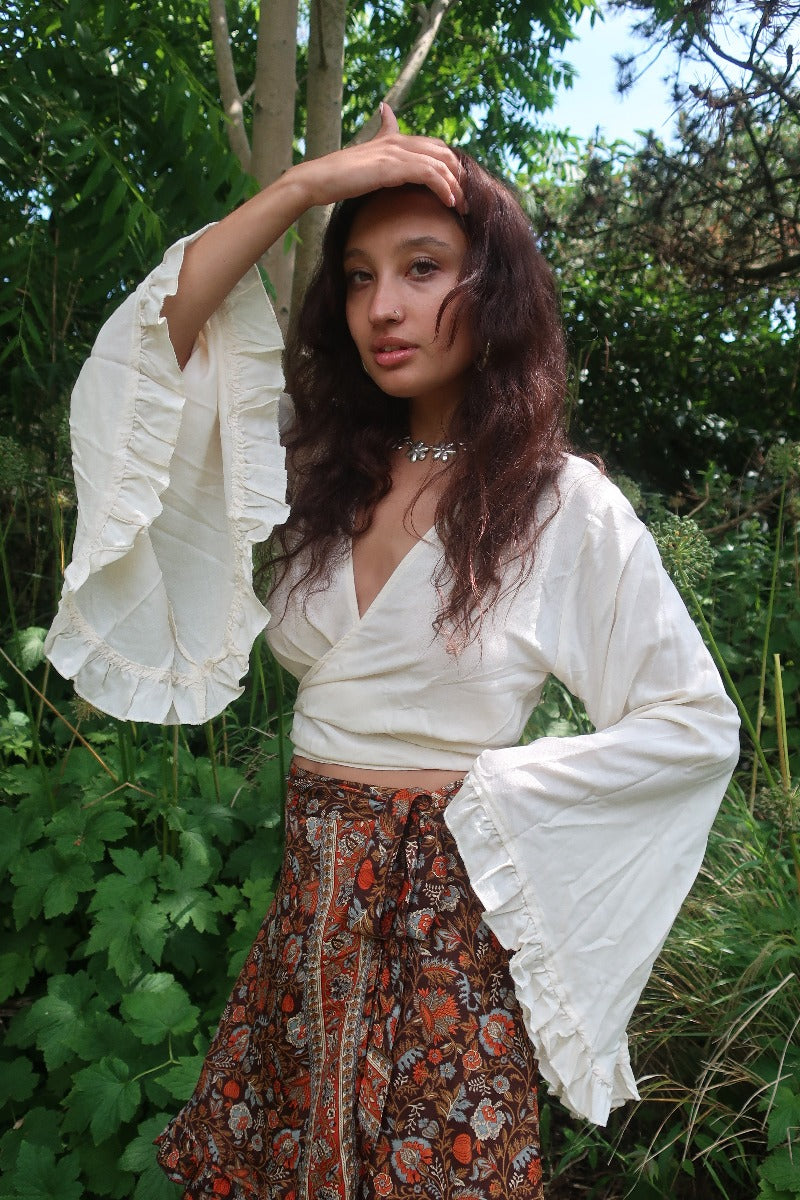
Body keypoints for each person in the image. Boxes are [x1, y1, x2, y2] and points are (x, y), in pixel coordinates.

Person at [45, 105, 740, 1200]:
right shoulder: (321, 469)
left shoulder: (558, 506)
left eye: (422, 267)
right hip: (306, 926)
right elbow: (148, 363)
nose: (384, 306)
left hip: (448, 939)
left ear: (496, 292)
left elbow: (694, 725)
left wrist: (499, 803)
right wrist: (300, 192)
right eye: (360, 277)